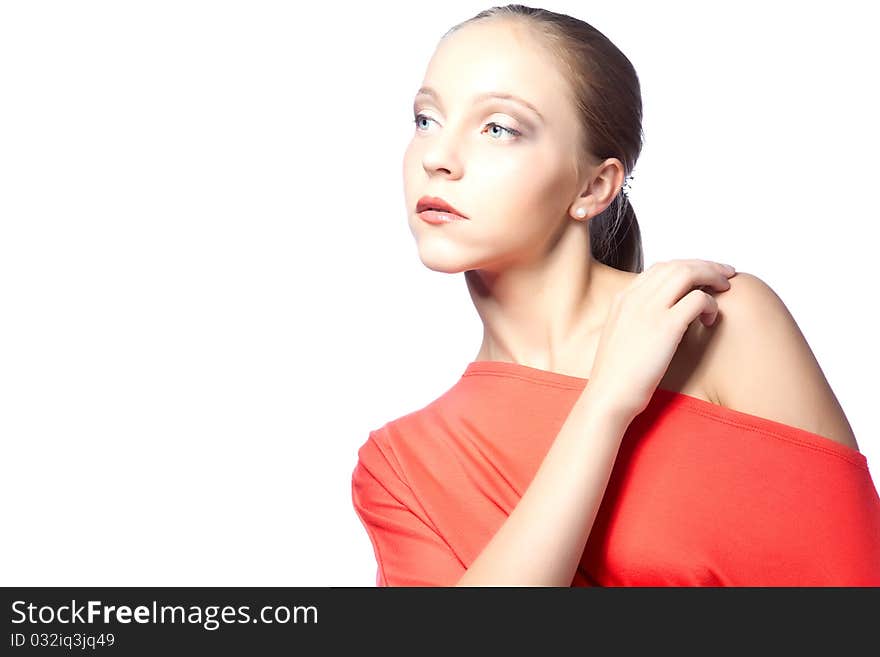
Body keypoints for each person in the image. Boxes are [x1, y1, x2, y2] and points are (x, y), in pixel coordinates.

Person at [350, 4, 880, 586]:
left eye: (498, 127)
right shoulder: (400, 465)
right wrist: (605, 403)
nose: (436, 158)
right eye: (426, 119)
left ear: (594, 185)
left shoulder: (716, 321)